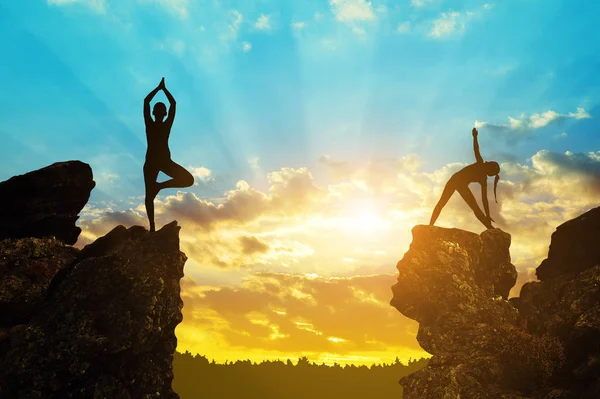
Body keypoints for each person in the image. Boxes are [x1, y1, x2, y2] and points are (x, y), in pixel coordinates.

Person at [143, 77, 194, 232]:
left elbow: (148, 102)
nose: (159, 112)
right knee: (149, 196)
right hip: (153, 162)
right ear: (158, 113)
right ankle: (152, 228)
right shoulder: (153, 124)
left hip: (162, 161)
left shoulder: (163, 125)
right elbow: (171, 104)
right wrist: (162, 90)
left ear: (162, 113)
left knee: (188, 180)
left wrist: (160, 89)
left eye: (160, 110)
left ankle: (159, 187)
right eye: (157, 110)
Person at [429, 128, 500, 229]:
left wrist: (488, 215)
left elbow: (485, 199)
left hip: (461, 184)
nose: (487, 161)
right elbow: (476, 149)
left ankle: (490, 228)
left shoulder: (482, 173)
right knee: (442, 202)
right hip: (455, 180)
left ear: (489, 168)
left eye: (489, 163)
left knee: (475, 208)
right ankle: (430, 225)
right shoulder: (481, 167)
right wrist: (475, 137)